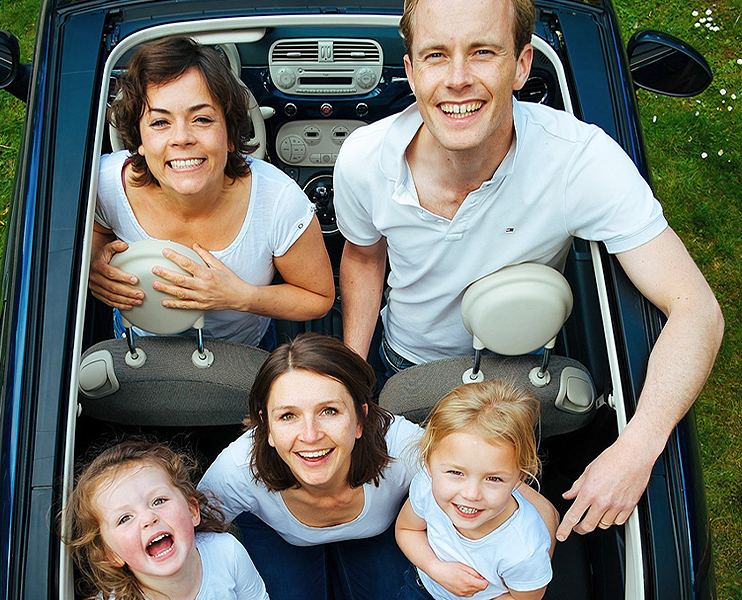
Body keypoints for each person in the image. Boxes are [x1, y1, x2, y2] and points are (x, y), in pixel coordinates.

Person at [332, 0, 724, 541]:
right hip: (403, 362)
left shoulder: (580, 160)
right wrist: (354, 373)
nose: (458, 79)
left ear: (520, 65)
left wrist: (637, 447)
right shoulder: (362, 159)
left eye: (483, 52)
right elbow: (363, 254)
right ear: (412, 70)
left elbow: (695, 308)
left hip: (514, 377)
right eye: (436, 55)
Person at [199, 333, 558, 600]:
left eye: (329, 411)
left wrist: (520, 583)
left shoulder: (403, 446)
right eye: (288, 416)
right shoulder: (238, 467)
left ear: (360, 419)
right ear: (267, 428)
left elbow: (539, 511)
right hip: (280, 538)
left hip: (378, 534)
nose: (310, 435)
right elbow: (194, 532)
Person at [89, 36, 334, 349]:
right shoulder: (106, 184)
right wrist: (95, 263)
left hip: (243, 351)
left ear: (230, 134)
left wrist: (239, 297)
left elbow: (318, 297)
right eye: (160, 122)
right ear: (138, 138)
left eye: (202, 119)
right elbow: (97, 229)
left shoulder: (278, 202)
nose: (182, 138)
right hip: (138, 344)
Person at [395, 381, 551, 600]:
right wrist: (435, 569)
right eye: (456, 473)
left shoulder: (524, 549)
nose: (471, 494)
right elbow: (408, 530)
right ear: (428, 464)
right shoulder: (426, 485)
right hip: (424, 585)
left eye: (493, 478)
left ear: (520, 477)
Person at [63, 440, 269, 600]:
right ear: (110, 554)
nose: (148, 518)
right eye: (125, 518)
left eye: (158, 500)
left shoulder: (226, 552)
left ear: (192, 510)